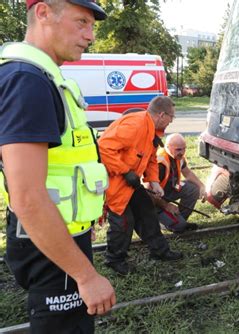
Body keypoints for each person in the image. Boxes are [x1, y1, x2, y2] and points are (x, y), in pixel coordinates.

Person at [0, 0, 116, 332]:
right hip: (51, 243)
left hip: (57, 234)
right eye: (81, 22)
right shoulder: (27, 80)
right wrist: (86, 276)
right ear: (43, 13)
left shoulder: (44, 76)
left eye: (92, 26)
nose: (90, 36)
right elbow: (28, 198)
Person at [98, 96, 183, 275]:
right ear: (161, 115)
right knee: (123, 221)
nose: (171, 121)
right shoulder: (135, 125)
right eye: (171, 117)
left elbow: (151, 158)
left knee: (146, 211)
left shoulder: (151, 129)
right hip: (117, 182)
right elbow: (104, 147)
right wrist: (125, 171)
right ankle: (114, 259)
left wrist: (154, 182)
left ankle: (160, 250)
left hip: (132, 181)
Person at [151, 133, 206, 233]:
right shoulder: (159, 164)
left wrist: (201, 186)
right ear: (167, 147)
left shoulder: (178, 157)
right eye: (178, 149)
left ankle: (179, 220)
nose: (182, 152)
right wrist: (166, 206)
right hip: (153, 200)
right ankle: (167, 223)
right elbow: (149, 193)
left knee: (193, 189)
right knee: (180, 227)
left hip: (167, 191)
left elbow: (188, 173)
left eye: (184, 149)